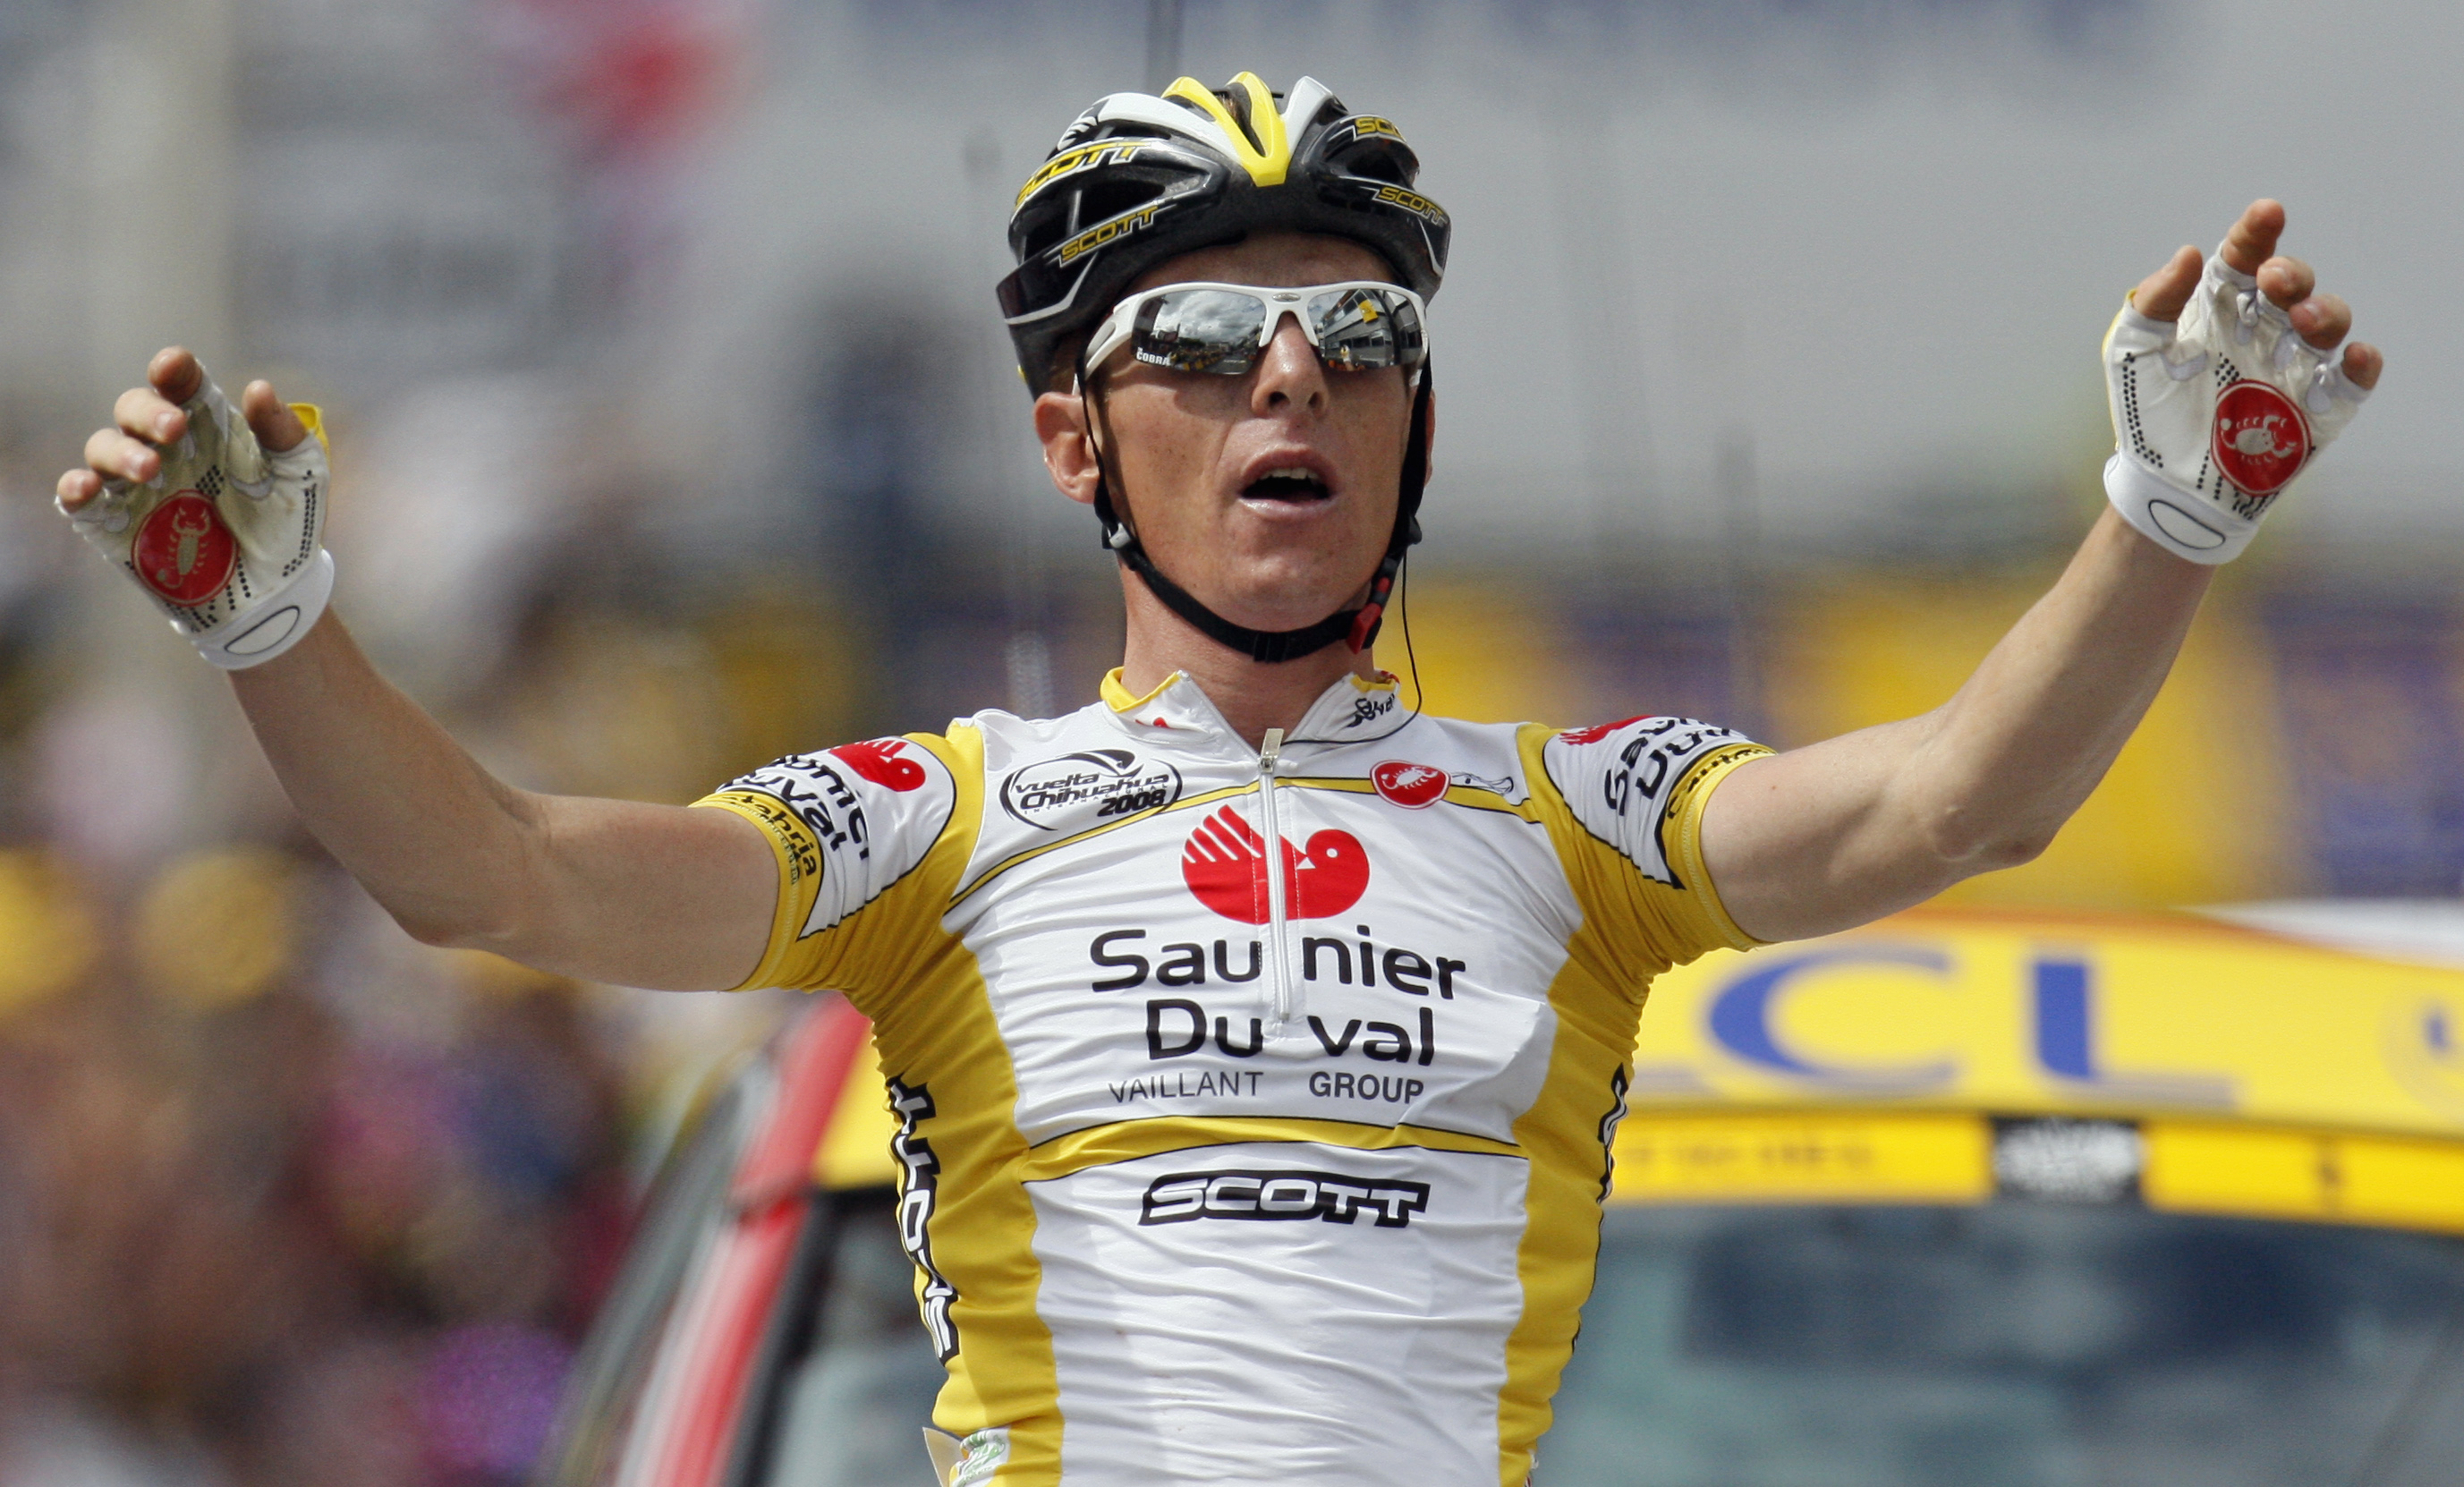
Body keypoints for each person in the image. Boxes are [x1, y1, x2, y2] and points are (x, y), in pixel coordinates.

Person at [53, 70, 2380, 1487]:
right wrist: (272, 628)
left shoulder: (1578, 821)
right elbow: (494, 877)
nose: (1291, 379)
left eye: (1358, 335)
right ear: (1075, 442)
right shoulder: (936, 824)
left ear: (1413, 425)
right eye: (1202, 337)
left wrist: (2165, 517)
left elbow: (1958, 803)